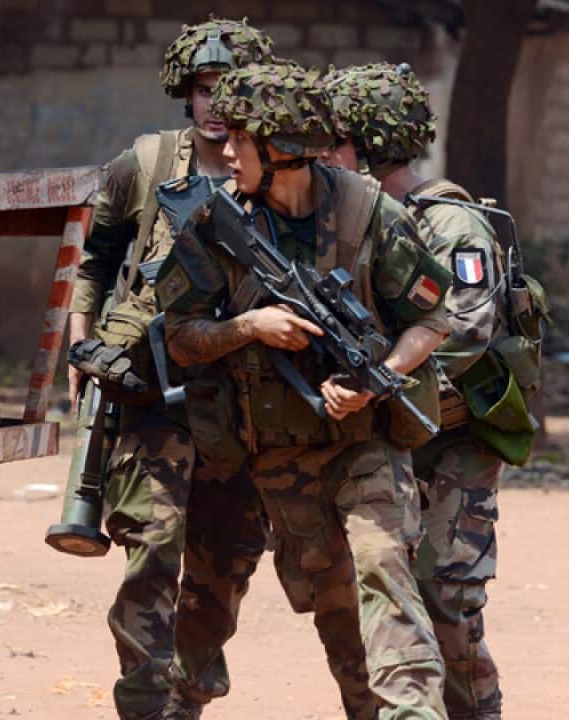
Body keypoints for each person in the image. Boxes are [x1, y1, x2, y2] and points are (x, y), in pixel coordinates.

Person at [156, 62, 454, 719]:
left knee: (381, 567)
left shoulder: (368, 211)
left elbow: (434, 317)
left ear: (282, 147)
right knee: (219, 603)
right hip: (252, 448)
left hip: (359, 444)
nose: (225, 151)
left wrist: (380, 380)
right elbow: (179, 335)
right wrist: (247, 326)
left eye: (240, 138)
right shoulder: (214, 221)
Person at [62, 18, 275, 720]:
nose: (215, 104)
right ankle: (145, 706)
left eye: (229, 91)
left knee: (225, 566)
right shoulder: (147, 163)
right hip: (152, 392)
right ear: (185, 92)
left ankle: (189, 697)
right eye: (204, 89)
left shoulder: (277, 175)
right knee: (151, 550)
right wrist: (81, 336)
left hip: (240, 399)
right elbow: (92, 258)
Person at [324, 62, 547, 720]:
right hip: (392, 429)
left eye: (334, 140)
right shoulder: (353, 221)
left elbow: (467, 335)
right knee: (379, 592)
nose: (321, 155)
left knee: (447, 594)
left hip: (458, 433)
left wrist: (384, 383)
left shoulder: (452, 227)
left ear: (372, 145)